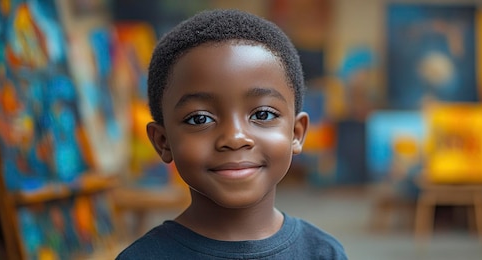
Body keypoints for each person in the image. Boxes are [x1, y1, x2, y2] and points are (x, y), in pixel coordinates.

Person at [117, 9, 347, 259]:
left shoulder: (323, 253)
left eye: (263, 115)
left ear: (296, 132)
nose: (235, 138)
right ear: (163, 142)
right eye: (200, 119)